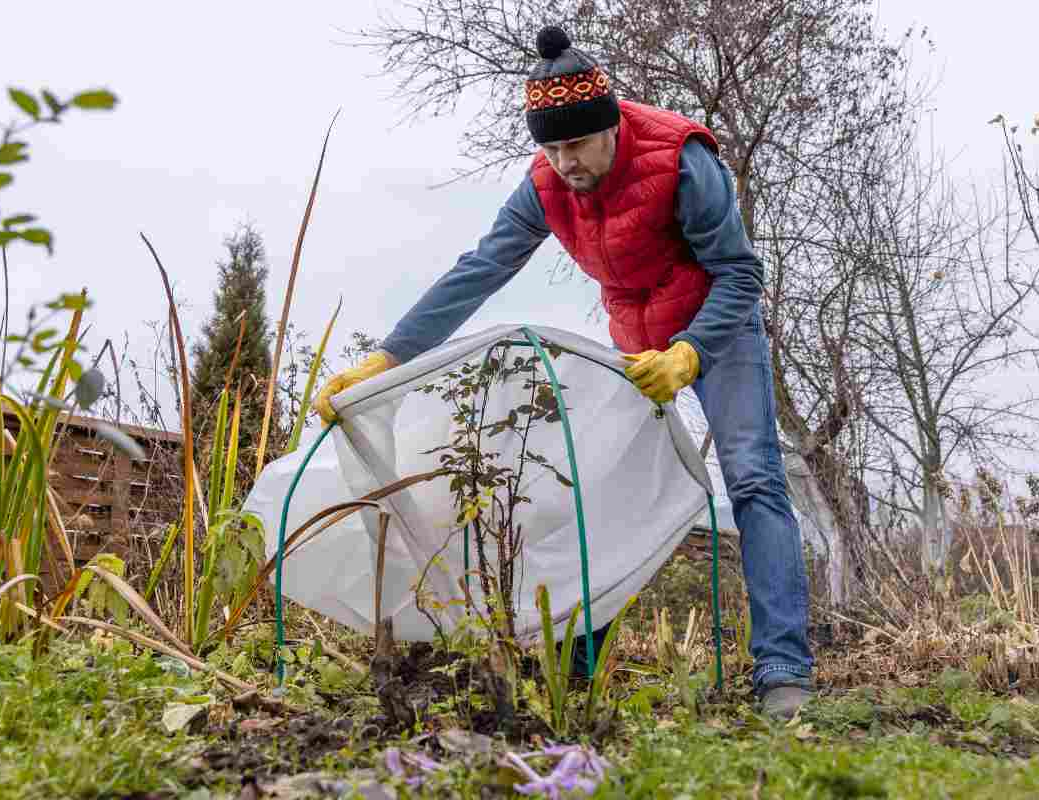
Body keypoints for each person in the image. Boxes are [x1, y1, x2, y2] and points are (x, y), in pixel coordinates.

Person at [313, 25, 814, 719]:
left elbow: (740, 272)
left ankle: (783, 670)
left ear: (611, 127)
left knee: (754, 477)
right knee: (607, 491)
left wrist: (690, 352)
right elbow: (480, 270)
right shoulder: (546, 183)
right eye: (549, 147)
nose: (564, 161)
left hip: (717, 332)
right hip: (636, 343)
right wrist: (388, 357)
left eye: (576, 143)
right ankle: (579, 661)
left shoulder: (682, 161)